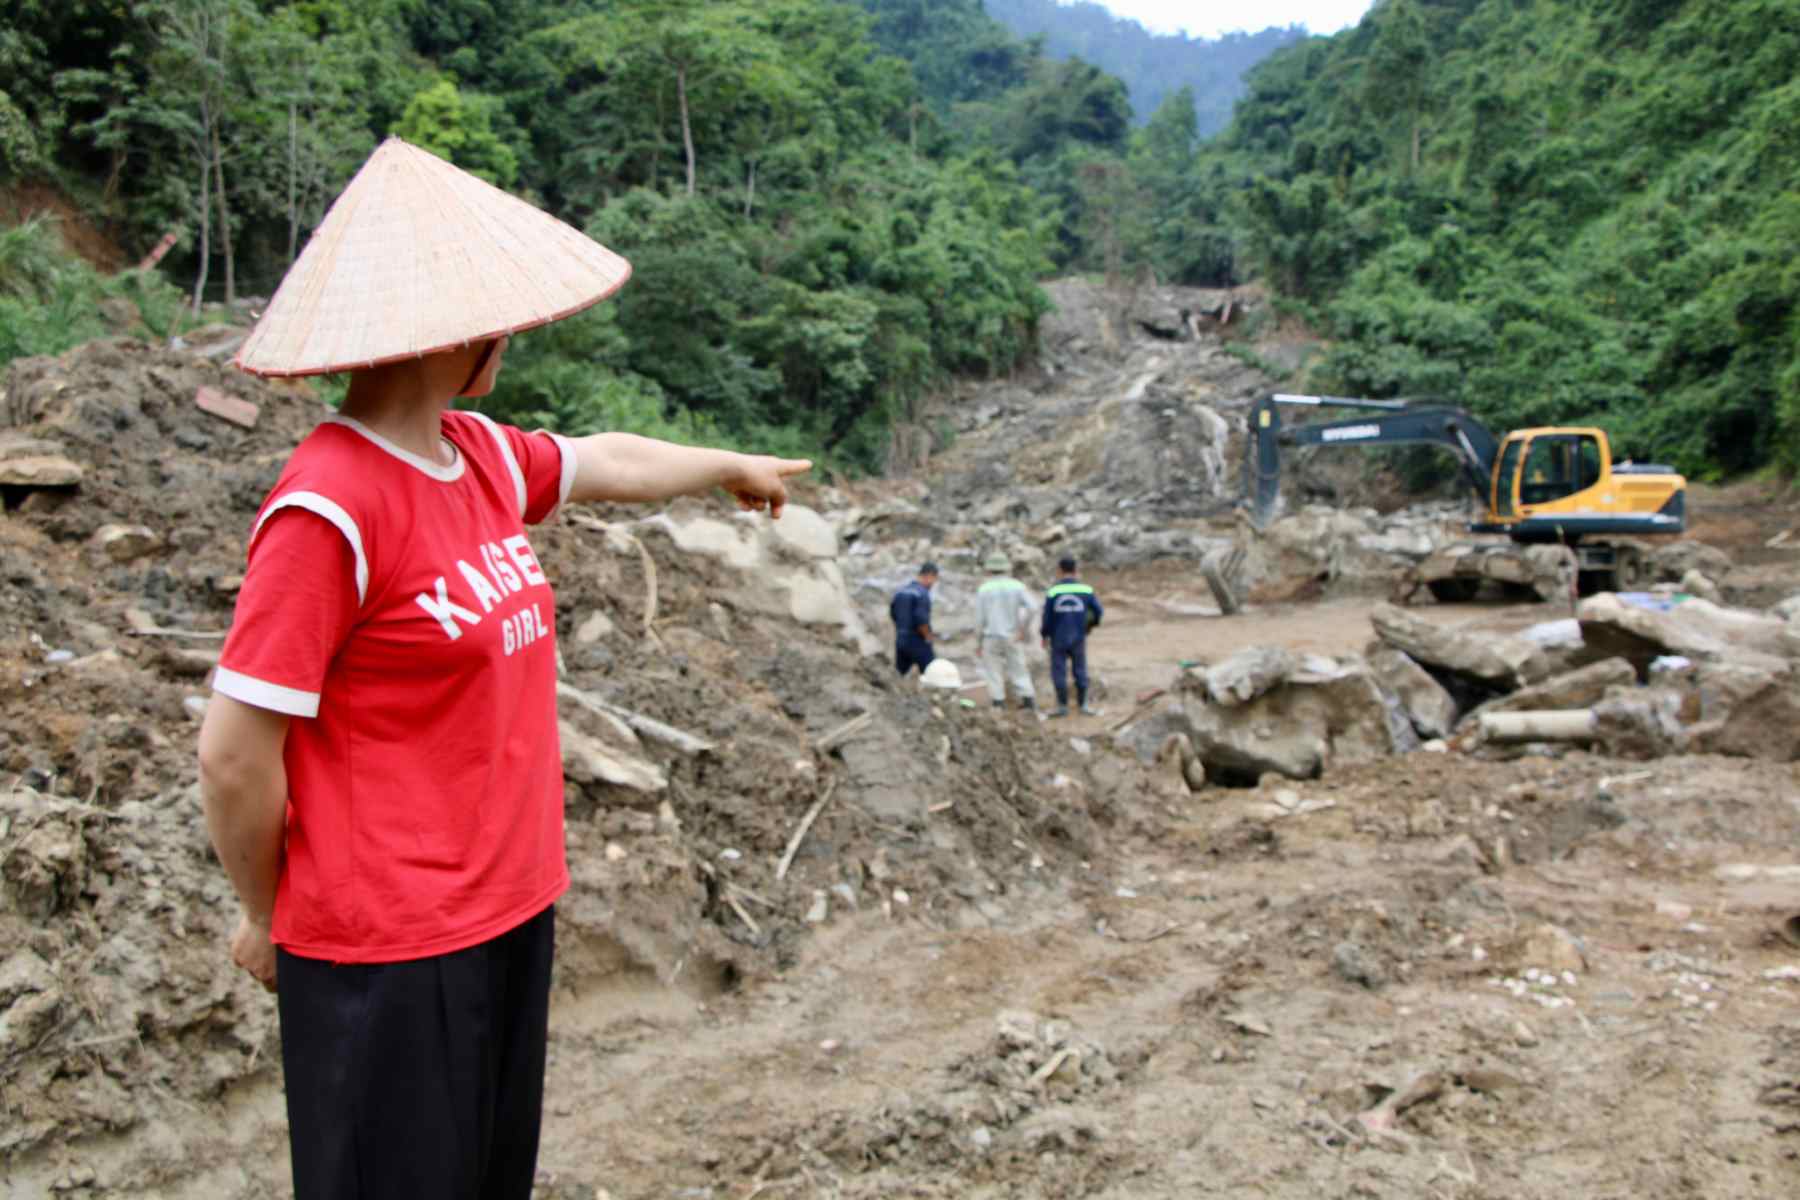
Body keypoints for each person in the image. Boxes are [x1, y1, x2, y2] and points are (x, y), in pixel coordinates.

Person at [195, 137, 810, 1200]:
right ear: (463, 337)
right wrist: (266, 914)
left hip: (507, 909)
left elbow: (601, 459)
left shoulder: (470, 454)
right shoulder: (328, 505)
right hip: (385, 946)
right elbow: (236, 758)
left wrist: (722, 468)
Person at [1040, 554, 1103, 717]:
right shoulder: (1086, 590)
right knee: (1080, 669)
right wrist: (1090, 626)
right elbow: (1098, 611)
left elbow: (1047, 617)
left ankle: (1062, 706)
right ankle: (1083, 705)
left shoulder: (1054, 591)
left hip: (1058, 637)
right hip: (1078, 636)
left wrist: (1044, 634)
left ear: (1060, 570)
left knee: (1059, 670)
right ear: (1076, 570)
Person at [974, 551, 1035, 710]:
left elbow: (979, 619)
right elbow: (1033, 608)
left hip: (990, 636)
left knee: (993, 672)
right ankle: (1028, 702)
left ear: (989, 569)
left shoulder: (984, 589)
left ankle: (998, 704)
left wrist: (978, 642)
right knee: (1019, 669)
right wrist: (1023, 630)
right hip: (1012, 635)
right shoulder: (1017, 586)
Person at [890, 561, 938, 677]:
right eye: (935, 579)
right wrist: (928, 637)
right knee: (932, 673)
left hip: (900, 639)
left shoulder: (901, 592)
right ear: (929, 576)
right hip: (916, 640)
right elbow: (921, 619)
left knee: (899, 675)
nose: (934, 583)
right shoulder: (922, 593)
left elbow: (893, 613)